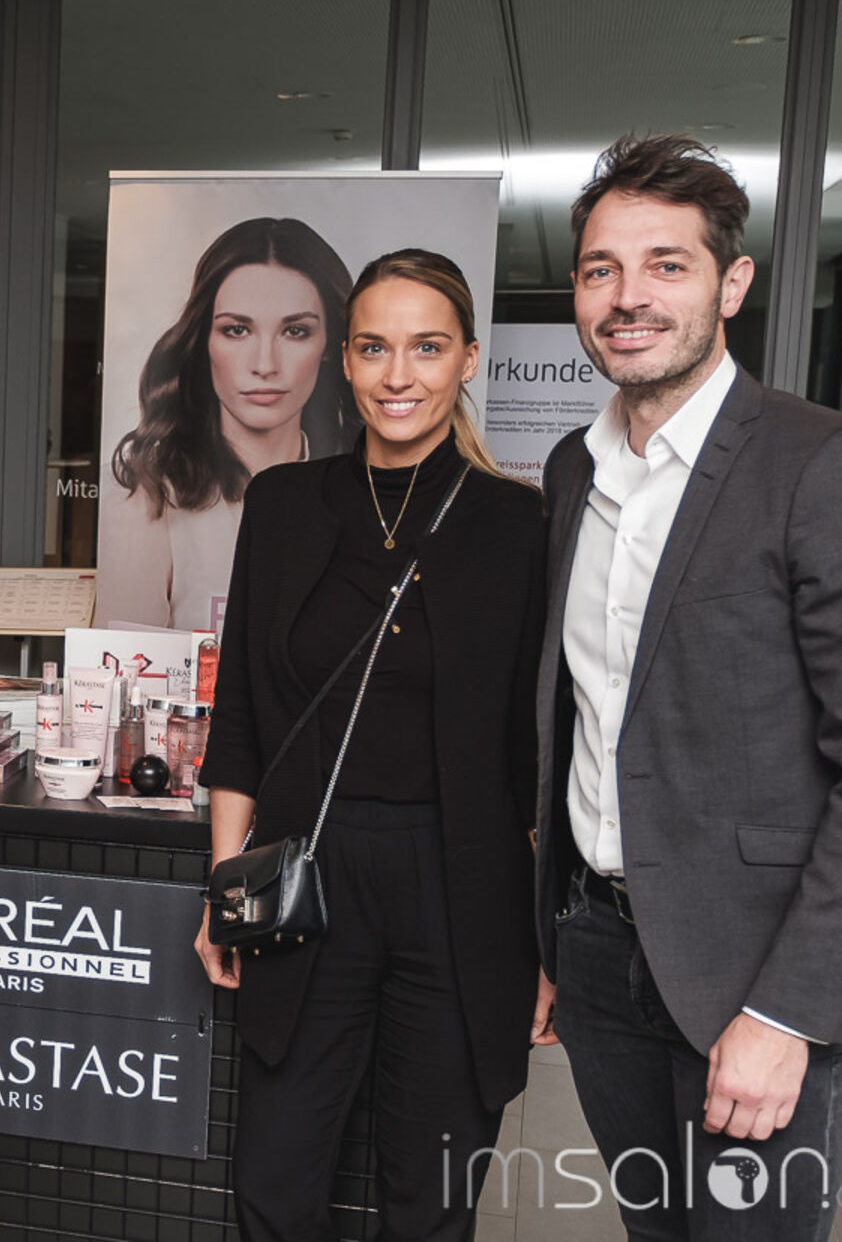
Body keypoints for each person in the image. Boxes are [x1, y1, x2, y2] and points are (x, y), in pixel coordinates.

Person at [530, 134, 842, 1240]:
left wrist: (787, 1012)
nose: (628, 297)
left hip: (755, 971)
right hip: (599, 949)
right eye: (601, 269)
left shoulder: (829, 465)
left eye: (667, 264)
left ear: (731, 283)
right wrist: (552, 939)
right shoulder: (573, 469)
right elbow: (578, 718)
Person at [196, 249, 544, 1240]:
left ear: (468, 358)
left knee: (431, 1198)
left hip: (461, 881)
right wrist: (226, 887)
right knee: (275, 1180)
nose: (399, 374)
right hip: (310, 866)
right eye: (375, 347)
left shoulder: (519, 523)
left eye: (427, 348)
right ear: (344, 361)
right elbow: (242, 718)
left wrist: (543, 940)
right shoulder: (283, 504)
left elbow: (535, 749)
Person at [99, 217, 356, 631]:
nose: (265, 365)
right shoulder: (147, 500)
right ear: (204, 339)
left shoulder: (362, 495)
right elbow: (125, 669)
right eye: (237, 330)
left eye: (295, 331)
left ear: (329, 346)